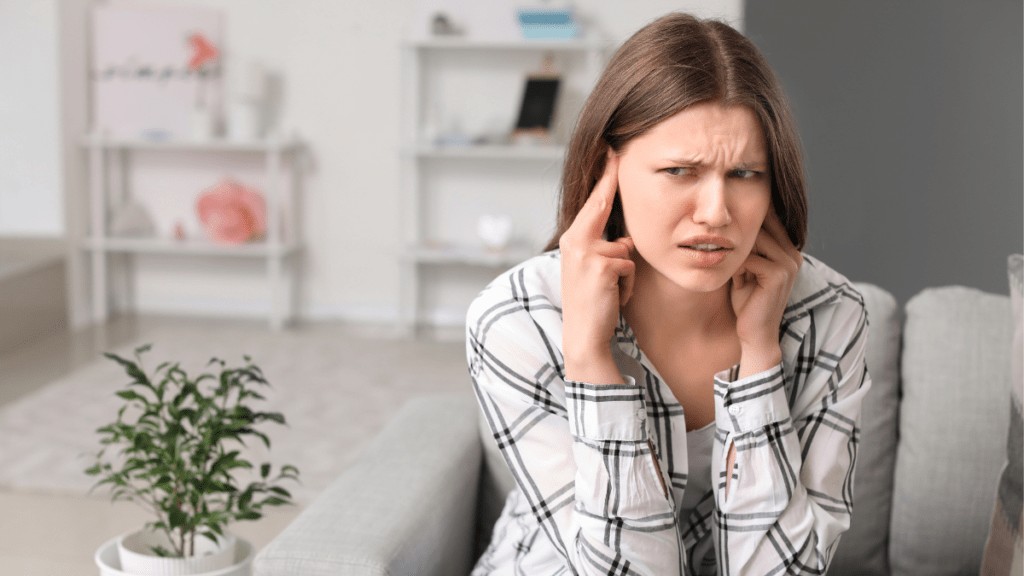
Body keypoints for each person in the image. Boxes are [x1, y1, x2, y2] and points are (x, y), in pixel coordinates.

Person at [465, 12, 871, 576]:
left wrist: (759, 361)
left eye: (745, 174)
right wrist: (589, 362)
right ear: (608, 170)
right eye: (680, 170)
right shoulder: (518, 320)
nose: (716, 213)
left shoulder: (829, 315)